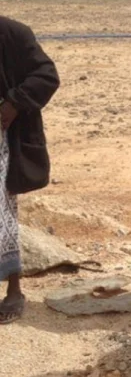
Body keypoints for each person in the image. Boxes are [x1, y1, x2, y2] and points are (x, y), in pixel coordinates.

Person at [0, 16, 59, 324]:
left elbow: (46, 75)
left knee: (2, 212)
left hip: (2, 139)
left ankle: (13, 289)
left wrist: (15, 102)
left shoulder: (13, 33)